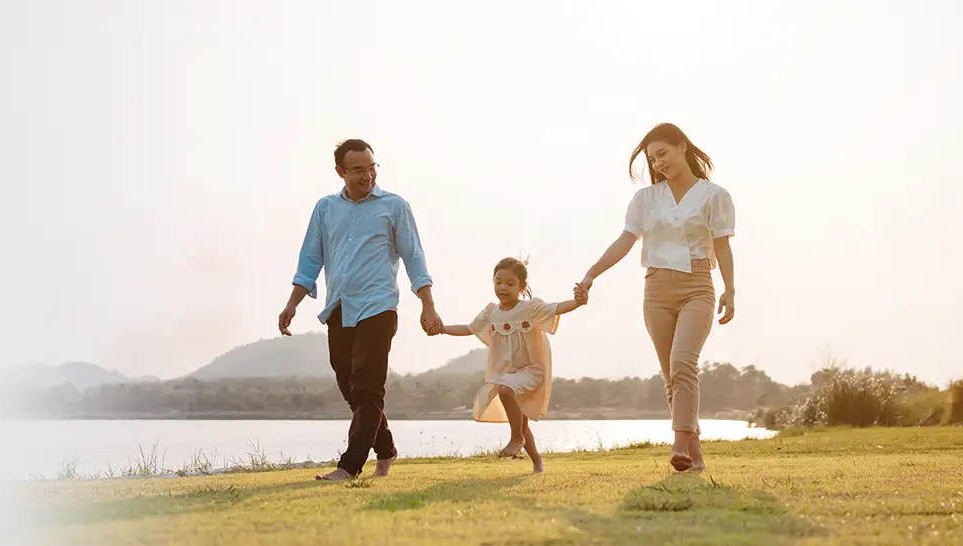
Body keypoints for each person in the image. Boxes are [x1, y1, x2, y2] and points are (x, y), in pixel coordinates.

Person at [575, 123, 738, 472]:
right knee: (671, 375)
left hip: (697, 286)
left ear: (682, 148)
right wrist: (591, 274)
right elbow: (624, 241)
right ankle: (693, 456)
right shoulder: (646, 199)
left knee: (683, 364)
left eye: (663, 153)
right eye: (652, 159)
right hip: (656, 290)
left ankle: (678, 443)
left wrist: (730, 289)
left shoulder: (714, 196)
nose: (658, 162)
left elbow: (722, 245)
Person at [278, 139, 441, 481]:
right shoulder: (325, 208)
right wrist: (292, 303)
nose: (367, 175)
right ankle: (386, 448)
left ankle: (349, 467)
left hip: (379, 307)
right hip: (339, 307)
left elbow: (414, 257)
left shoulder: (394, 206)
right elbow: (310, 258)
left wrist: (428, 305)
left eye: (371, 167)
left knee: (368, 388)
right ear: (340, 171)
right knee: (350, 387)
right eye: (358, 170)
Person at [439, 258, 584, 474]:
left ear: (522, 287)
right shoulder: (491, 312)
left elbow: (557, 308)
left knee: (505, 391)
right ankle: (537, 462)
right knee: (522, 421)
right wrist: (441, 328)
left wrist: (578, 302)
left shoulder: (530, 308)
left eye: (509, 283)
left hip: (531, 371)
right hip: (509, 374)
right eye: (498, 282)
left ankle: (516, 438)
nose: (502, 288)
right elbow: (469, 328)